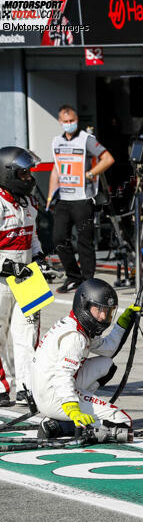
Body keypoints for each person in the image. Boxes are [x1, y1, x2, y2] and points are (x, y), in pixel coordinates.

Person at [32, 278, 141, 442]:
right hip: (55, 396)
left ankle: (79, 408)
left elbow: (108, 349)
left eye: (108, 311)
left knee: (106, 365)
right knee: (122, 422)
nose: (104, 316)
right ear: (84, 306)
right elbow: (62, 375)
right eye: (99, 310)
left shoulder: (76, 324)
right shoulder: (75, 337)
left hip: (46, 389)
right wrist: (72, 408)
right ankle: (58, 424)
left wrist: (125, 321)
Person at [47, 104, 114, 293]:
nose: (68, 124)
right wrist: (51, 195)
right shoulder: (56, 141)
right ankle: (73, 277)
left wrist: (91, 174)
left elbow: (108, 159)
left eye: (71, 121)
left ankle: (87, 281)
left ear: (76, 121)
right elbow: (56, 169)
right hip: (63, 199)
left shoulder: (86, 139)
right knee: (59, 238)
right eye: (65, 121)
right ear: (60, 122)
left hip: (83, 199)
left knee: (84, 241)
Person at [0, 147, 46, 406]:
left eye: (29, 173)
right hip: (2, 278)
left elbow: (34, 236)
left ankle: (28, 387)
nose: (29, 178)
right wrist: (10, 267)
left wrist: (39, 257)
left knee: (29, 335)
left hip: (28, 275)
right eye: (23, 173)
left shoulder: (29, 202)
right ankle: (2, 386)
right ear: (8, 174)